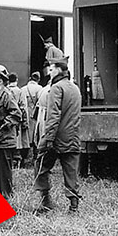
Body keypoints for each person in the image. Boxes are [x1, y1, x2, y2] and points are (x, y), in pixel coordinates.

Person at [33, 57, 83, 213]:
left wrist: (48, 139)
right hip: (73, 137)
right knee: (71, 171)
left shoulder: (56, 88)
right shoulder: (75, 88)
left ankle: (45, 201)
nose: (49, 71)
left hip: (56, 138)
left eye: (52, 68)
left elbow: (53, 116)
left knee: (40, 166)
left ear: (60, 70)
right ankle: (74, 206)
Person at [0, 65, 22, 197]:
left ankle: (7, 196)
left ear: (1, 81)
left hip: (5, 140)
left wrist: (3, 126)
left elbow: (16, 114)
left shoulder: (7, 95)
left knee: (4, 172)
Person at [20, 72, 43, 160]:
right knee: (36, 135)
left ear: (30, 78)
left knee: (25, 136)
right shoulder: (40, 88)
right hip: (35, 114)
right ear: (38, 79)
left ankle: (24, 157)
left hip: (26, 113)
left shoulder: (23, 89)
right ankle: (35, 156)